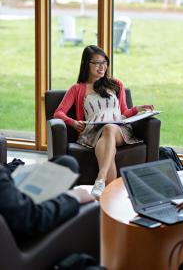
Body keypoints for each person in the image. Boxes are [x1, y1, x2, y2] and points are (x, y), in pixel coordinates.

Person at [54, 44, 154, 198]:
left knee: (109, 128)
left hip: (119, 129)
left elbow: (124, 112)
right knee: (109, 150)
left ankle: (100, 179)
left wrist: (138, 109)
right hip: (93, 133)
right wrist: (73, 122)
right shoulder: (77, 89)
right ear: (86, 64)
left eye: (105, 63)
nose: (102, 67)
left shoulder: (115, 84)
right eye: (97, 63)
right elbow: (58, 113)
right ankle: (108, 200)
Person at [0, 155, 95, 238]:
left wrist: (8, 170)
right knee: (67, 167)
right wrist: (74, 197)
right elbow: (30, 218)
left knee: (66, 162)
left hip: (12, 199)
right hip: (21, 231)